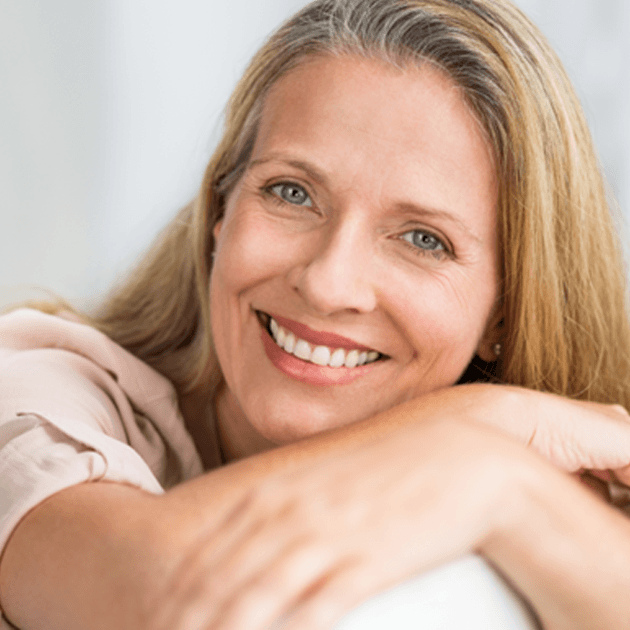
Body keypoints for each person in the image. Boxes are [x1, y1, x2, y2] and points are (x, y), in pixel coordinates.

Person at [1, 0, 630, 628]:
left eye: (422, 238)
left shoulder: (546, 473)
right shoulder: (34, 397)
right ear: (220, 211)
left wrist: (496, 480)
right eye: (292, 193)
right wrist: (478, 442)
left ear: (504, 313)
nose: (329, 284)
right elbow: (168, 605)